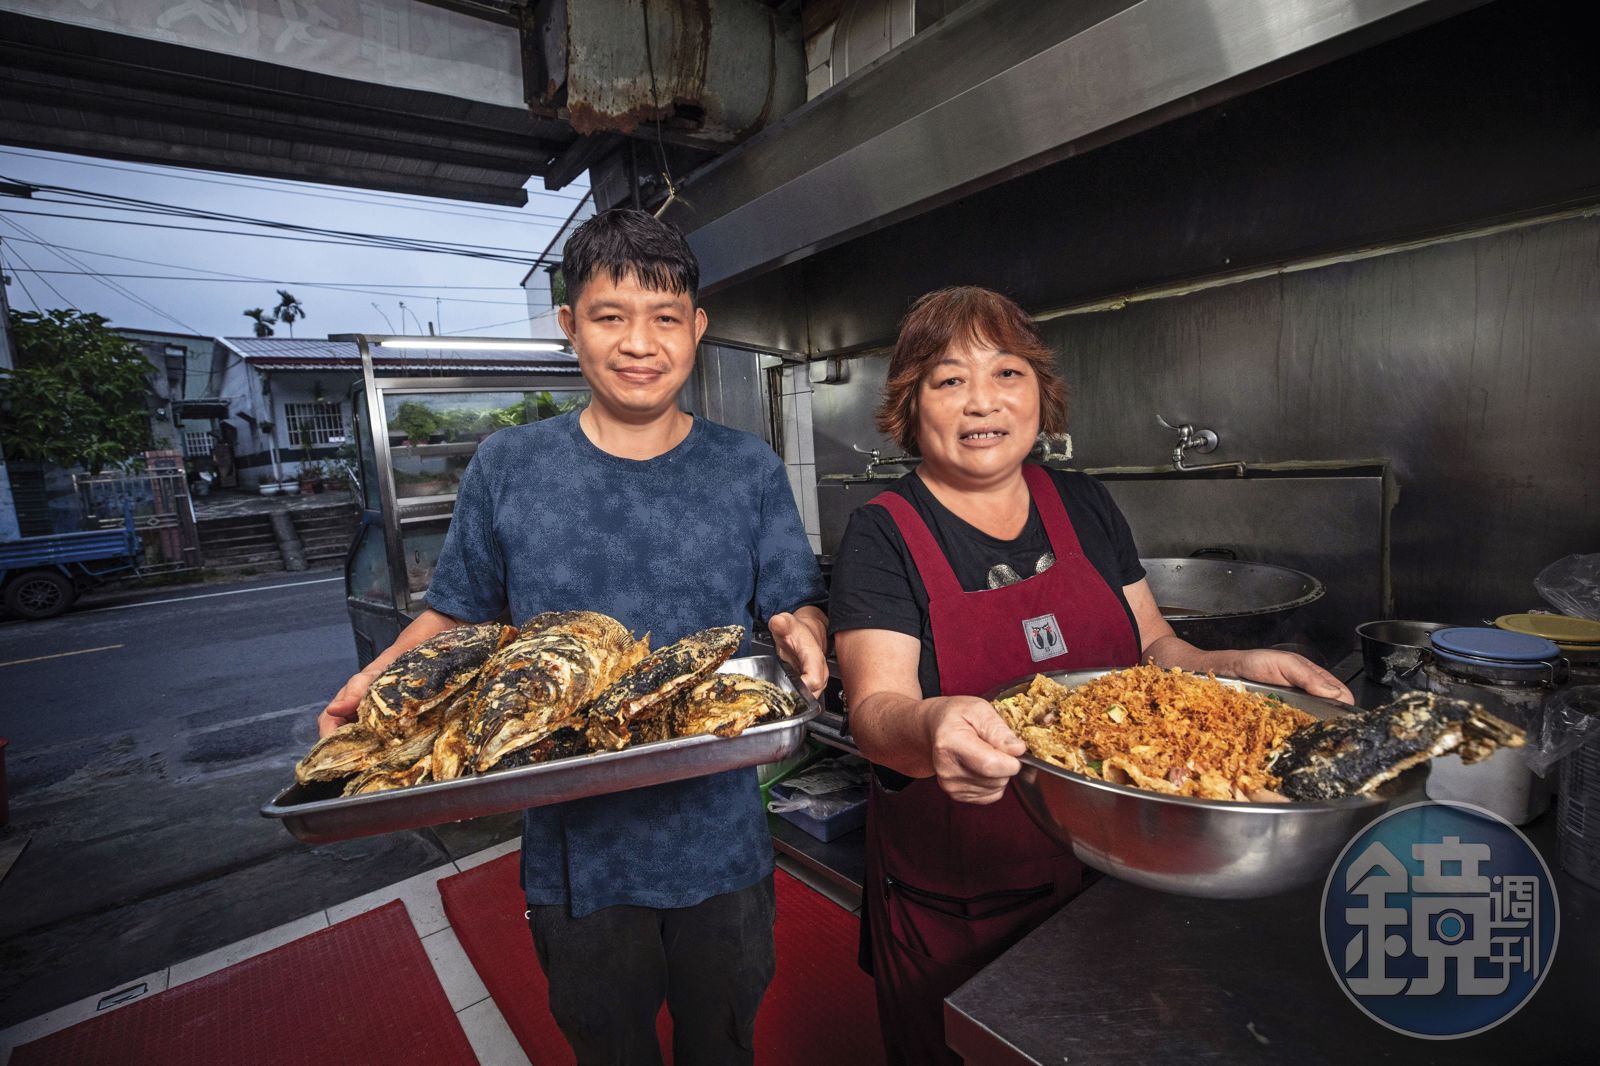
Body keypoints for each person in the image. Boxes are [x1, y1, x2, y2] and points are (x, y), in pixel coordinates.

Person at [317, 209, 828, 1065]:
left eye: (665, 318)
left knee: (724, 1042)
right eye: (609, 316)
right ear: (568, 325)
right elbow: (458, 617)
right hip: (576, 854)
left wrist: (803, 630)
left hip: (722, 839)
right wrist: (377, 687)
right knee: (606, 1046)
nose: (640, 343)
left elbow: (793, 601)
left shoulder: (748, 468)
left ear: (697, 328)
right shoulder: (510, 466)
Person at [827, 286, 1350, 1066]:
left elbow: (1156, 650)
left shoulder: (1084, 503)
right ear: (911, 403)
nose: (983, 401)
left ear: (1041, 393)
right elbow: (877, 712)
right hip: (962, 898)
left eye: (1007, 373)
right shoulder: (883, 534)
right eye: (949, 379)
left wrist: (1234, 669)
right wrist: (930, 726)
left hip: (1114, 877)